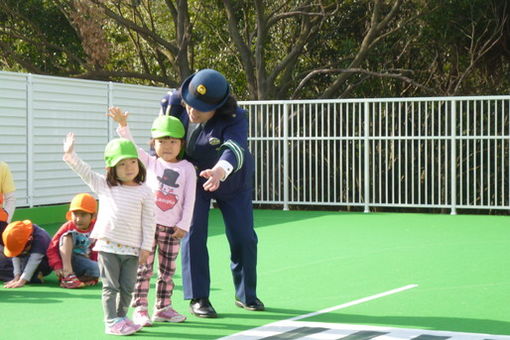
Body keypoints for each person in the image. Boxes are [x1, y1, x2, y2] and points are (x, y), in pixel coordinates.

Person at [159, 68, 264, 318]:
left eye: (200, 109)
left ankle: (245, 294)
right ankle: (199, 297)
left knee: (244, 237)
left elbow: (235, 148)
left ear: (217, 107)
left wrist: (219, 170)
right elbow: (162, 139)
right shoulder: (173, 104)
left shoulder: (236, 117)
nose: (192, 112)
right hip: (193, 178)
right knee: (193, 233)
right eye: (190, 104)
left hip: (231, 179)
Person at [108, 107, 196, 326]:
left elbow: (190, 199)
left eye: (173, 141)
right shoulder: (151, 163)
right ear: (153, 144)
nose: (167, 146)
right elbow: (132, 148)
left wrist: (184, 224)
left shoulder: (187, 169)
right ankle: (140, 308)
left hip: (172, 228)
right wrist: (123, 126)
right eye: (162, 141)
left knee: (168, 270)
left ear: (181, 144)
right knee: (143, 268)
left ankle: (163, 307)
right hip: (146, 226)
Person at [63, 133, 156, 336]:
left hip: (132, 249)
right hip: (108, 246)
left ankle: (122, 317)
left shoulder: (145, 192)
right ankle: (110, 321)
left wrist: (146, 247)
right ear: (111, 168)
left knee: (127, 287)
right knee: (110, 286)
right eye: (122, 164)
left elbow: (149, 222)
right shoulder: (105, 185)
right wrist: (70, 154)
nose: (129, 167)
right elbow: (85, 172)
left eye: (133, 162)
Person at [47, 193, 100, 289]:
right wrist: (57, 265)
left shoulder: (96, 228)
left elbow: (95, 251)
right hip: (67, 260)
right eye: (75, 214)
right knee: (68, 235)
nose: (78, 219)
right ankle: (67, 275)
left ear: (93, 216)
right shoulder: (68, 226)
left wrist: (94, 276)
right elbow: (52, 247)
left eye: (83, 215)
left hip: (83, 262)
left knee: (100, 268)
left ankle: (72, 280)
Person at [2, 220, 52, 288]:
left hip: (43, 263)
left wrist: (22, 281)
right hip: (25, 260)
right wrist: (16, 276)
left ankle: (34, 276)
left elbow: (34, 261)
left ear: (30, 239)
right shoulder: (17, 237)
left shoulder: (41, 238)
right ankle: (32, 276)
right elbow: (15, 256)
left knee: (26, 265)